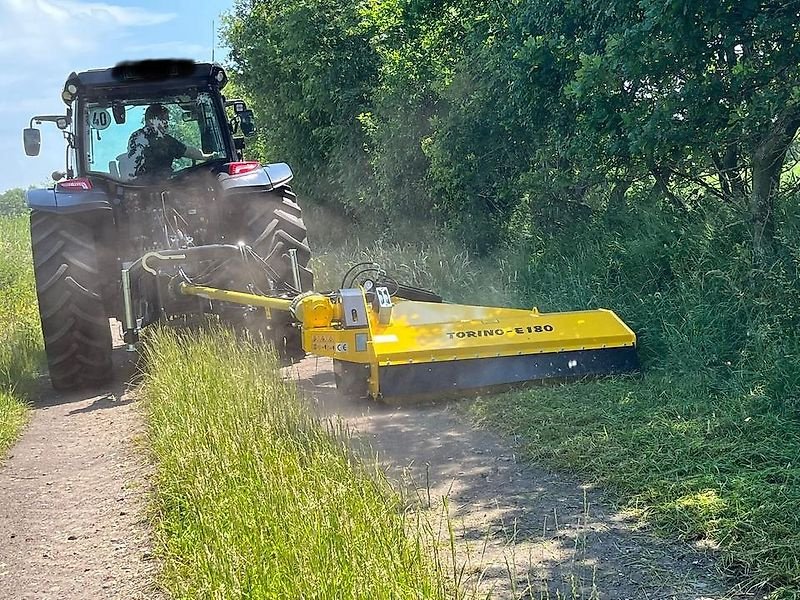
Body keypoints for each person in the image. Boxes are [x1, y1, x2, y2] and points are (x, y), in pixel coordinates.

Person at [127, 103, 213, 179]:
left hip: (138, 185)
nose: (166, 123)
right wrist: (207, 157)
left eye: (167, 119)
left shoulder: (135, 136)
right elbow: (189, 152)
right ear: (151, 120)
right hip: (160, 184)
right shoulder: (163, 140)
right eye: (163, 119)